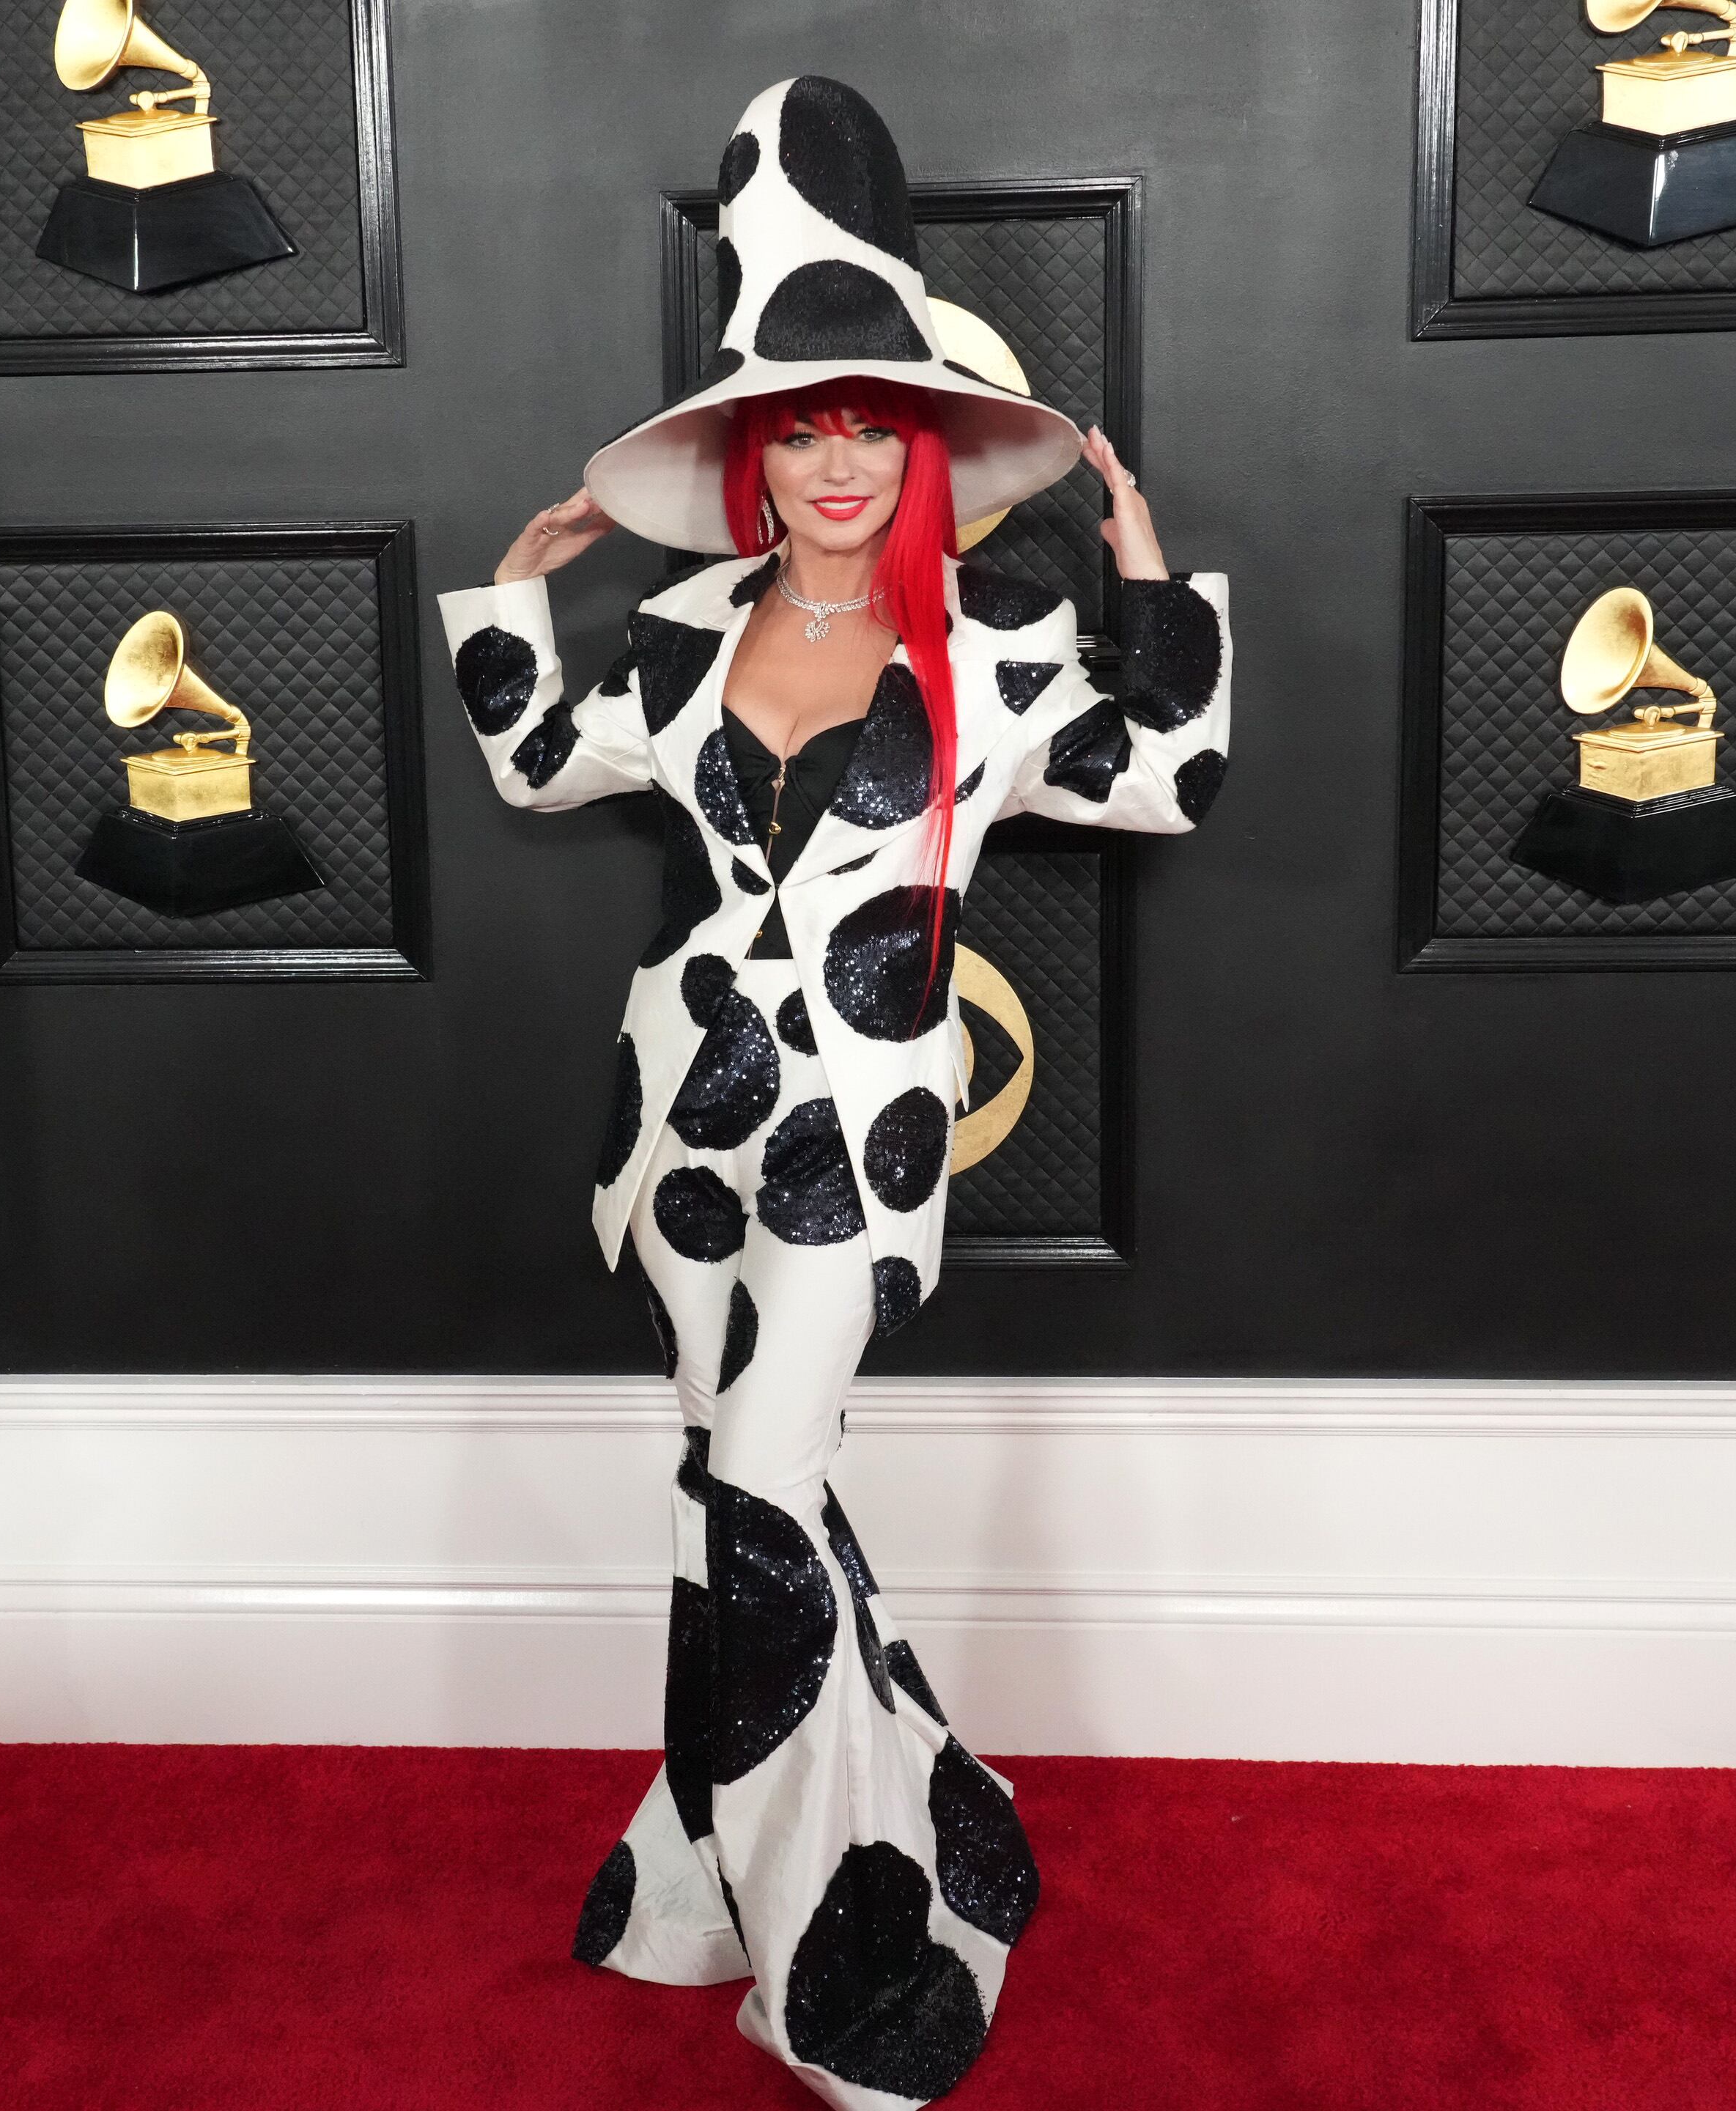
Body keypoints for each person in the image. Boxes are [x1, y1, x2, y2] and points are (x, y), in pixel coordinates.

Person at [435, 77, 1233, 2110]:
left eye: (875, 419)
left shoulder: (996, 644)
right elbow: (535, 765)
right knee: (723, 1512)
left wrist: (1149, 577)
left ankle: (854, 1932)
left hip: (859, 1171)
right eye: (803, 424)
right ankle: (715, 1876)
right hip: (672, 1145)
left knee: (770, 1491)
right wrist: (516, 600)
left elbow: (1171, 777)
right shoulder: (685, 636)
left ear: (928, 444)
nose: (842, 460)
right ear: (749, 455)